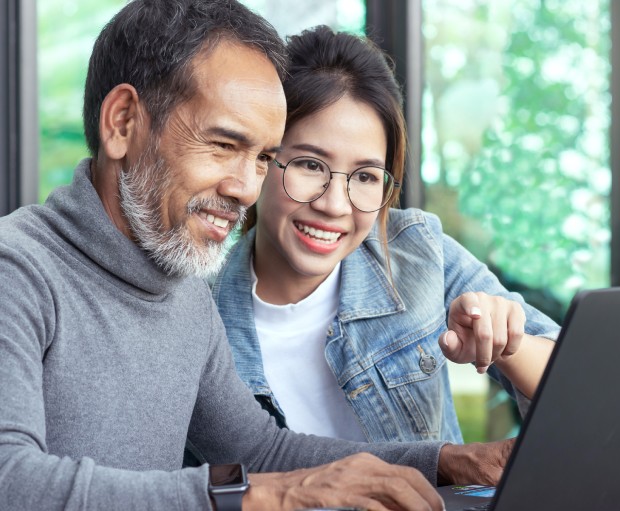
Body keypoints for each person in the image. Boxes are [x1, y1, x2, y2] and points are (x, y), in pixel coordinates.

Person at [0, 2, 513, 510]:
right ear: (123, 122)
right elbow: (9, 480)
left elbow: (261, 451)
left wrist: (447, 460)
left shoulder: (181, 295)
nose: (247, 188)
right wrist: (265, 495)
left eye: (264, 158)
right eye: (224, 145)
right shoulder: (17, 270)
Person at [211, 25, 561, 445]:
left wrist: (507, 344)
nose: (335, 205)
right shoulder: (200, 313)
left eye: (364, 176)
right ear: (263, 159)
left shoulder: (416, 251)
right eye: (310, 165)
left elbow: (579, 388)